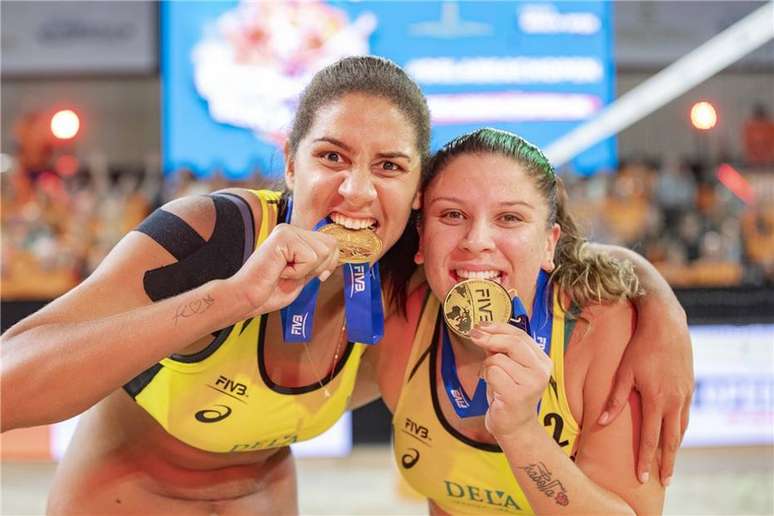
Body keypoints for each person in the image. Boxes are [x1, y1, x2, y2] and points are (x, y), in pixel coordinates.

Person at [1, 56, 688, 512]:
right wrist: (232, 299)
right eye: (332, 156)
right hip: (120, 494)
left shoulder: (405, 277)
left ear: (417, 196)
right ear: (290, 165)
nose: (357, 190)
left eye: (389, 166)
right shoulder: (213, 236)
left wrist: (658, 305)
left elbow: (518, 248)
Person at [376, 128, 680, 514]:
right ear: (421, 238)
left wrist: (521, 431)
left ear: (549, 243)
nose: (477, 240)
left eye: (509, 217)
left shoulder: (600, 328)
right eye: (452, 214)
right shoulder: (399, 321)